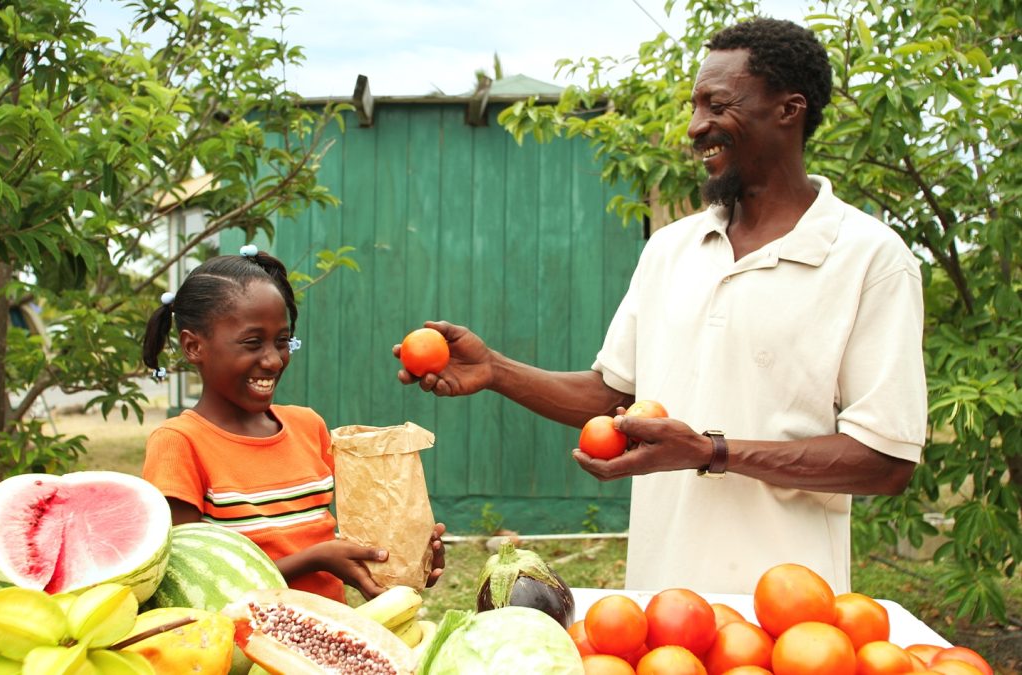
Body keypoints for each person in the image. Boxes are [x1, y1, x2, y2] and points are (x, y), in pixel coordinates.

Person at [395, 18, 926, 594]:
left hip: (791, 610)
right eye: (696, 108)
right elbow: (614, 397)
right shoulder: (672, 248)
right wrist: (496, 370)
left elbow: (884, 460)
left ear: (789, 110)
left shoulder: (869, 258)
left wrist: (709, 452)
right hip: (659, 602)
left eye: (718, 106)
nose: (697, 127)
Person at [142, 246, 445, 602]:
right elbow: (189, 579)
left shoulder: (308, 426)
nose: (272, 360)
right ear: (194, 347)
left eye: (282, 341)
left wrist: (402, 560)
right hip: (242, 646)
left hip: (331, 634)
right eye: (252, 343)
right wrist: (314, 560)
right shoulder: (179, 443)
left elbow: (349, 542)